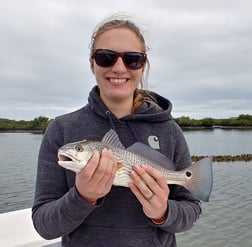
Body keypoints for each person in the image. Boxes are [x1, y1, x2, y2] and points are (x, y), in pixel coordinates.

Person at [32, 15, 201, 247]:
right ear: (92, 63)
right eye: (106, 57)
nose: (119, 68)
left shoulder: (169, 131)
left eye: (132, 59)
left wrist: (162, 211)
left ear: (143, 65)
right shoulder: (61, 129)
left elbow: (191, 212)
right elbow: (44, 226)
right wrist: (82, 196)